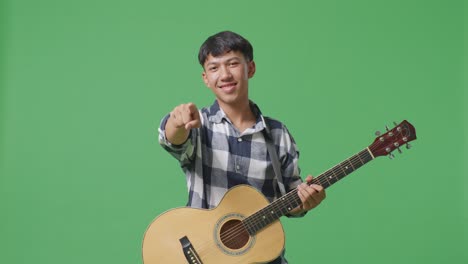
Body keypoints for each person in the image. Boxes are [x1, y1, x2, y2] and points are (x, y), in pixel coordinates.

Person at [158, 30, 326, 264]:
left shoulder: (277, 134)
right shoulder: (198, 124)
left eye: (233, 64)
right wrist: (176, 122)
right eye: (214, 68)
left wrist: (304, 202)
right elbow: (173, 140)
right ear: (206, 78)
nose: (224, 74)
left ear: (251, 68)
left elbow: (290, 201)